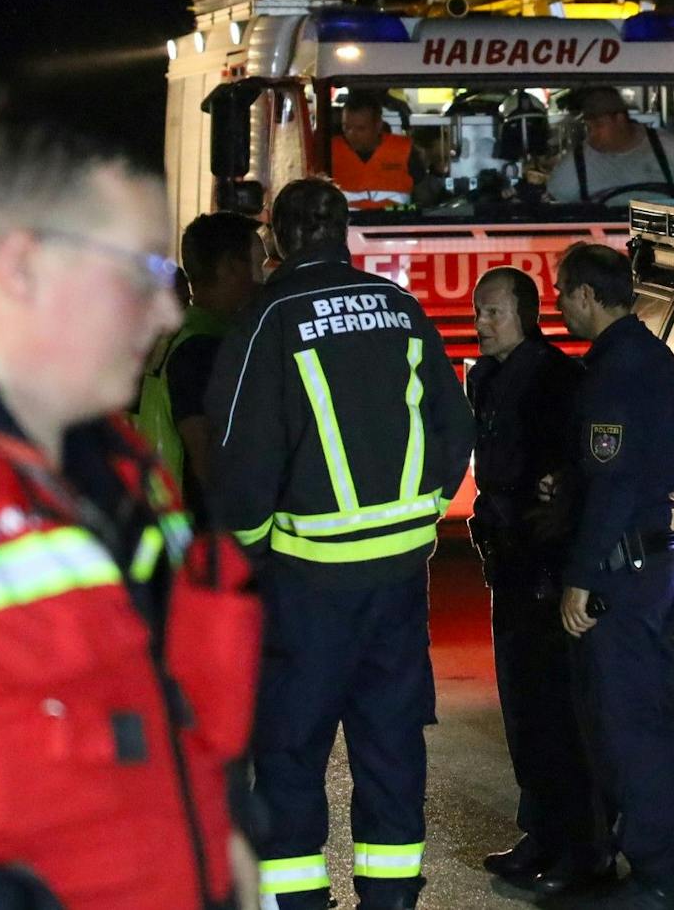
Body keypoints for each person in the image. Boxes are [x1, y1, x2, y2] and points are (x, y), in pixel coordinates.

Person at [0, 124, 261, 909]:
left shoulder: (117, 470)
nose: (167, 311)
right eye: (138, 273)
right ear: (22, 267)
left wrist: (225, 833)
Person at [205, 177, 474, 910]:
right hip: (397, 579)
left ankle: (296, 900)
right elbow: (454, 427)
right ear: (346, 230)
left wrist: (250, 551)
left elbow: (242, 454)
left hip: (306, 583)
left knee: (291, 752)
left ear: (277, 239)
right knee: (390, 747)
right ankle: (390, 899)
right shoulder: (401, 308)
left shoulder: (269, 317)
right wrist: (416, 515)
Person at [554, 243, 674, 909]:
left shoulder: (616, 370)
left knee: (629, 724)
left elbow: (610, 486)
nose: (559, 304)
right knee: (644, 717)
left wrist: (581, 576)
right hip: (650, 564)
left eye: (563, 293)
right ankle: (655, 864)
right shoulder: (650, 356)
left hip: (624, 571)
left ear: (588, 295)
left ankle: (659, 875)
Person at [467, 267, 610, 896]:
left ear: (526, 313)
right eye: (478, 313)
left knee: (556, 712)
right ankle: (544, 832)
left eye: (493, 312)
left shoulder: (555, 378)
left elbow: (578, 469)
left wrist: (558, 509)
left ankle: (582, 847)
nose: (481, 324)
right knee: (523, 708)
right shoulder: (487, 378)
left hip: (545, 568)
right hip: (510, 560)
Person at [135, 211, 264, 522]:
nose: (262, 278)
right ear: (229, 269)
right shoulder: (204, 348)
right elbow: (207, 457)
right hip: (192, 525)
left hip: (161, 511)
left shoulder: (179, 335)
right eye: (257, 265)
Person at [546, 87, 674, 206]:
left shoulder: (673, 153)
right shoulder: (573, 167)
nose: (592, 134)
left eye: (599, 125)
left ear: (620, 119)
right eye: (588, 128)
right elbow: (559, 205)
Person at [332, 90, 428, 210]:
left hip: (396, 225)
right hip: (348, 226)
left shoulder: (404, 150)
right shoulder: (330, 150)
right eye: (346, 127)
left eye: (360, 128)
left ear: (378, 126)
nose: (352, 134)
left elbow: (425, 200)